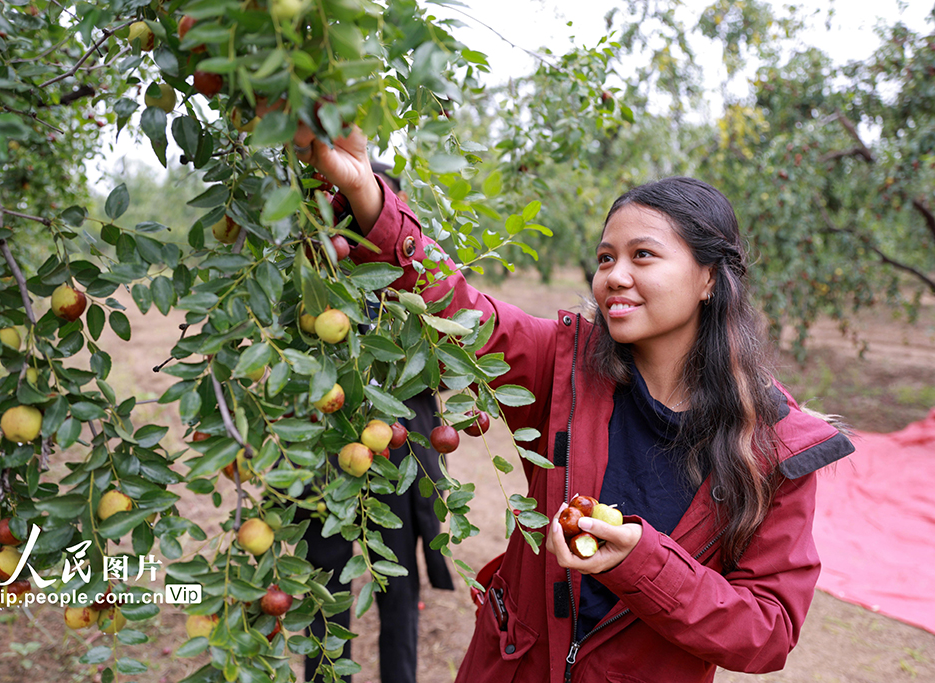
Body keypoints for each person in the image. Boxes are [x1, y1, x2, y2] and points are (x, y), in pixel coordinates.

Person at [290, 124, 855, 683]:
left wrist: (642, 561)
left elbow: (768, 631)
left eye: (644, 255)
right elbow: (457, 309)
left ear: (708, 278)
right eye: (606, 258)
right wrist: (367, 194)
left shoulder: (774, 449)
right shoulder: (565, 365)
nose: (615, 276)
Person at [301, 161, 454, 683]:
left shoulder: (422, 281)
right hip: (331, 454)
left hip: (395, 452)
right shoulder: (314, 281)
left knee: (397, 584)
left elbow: (449, 363)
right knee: (326, 586)